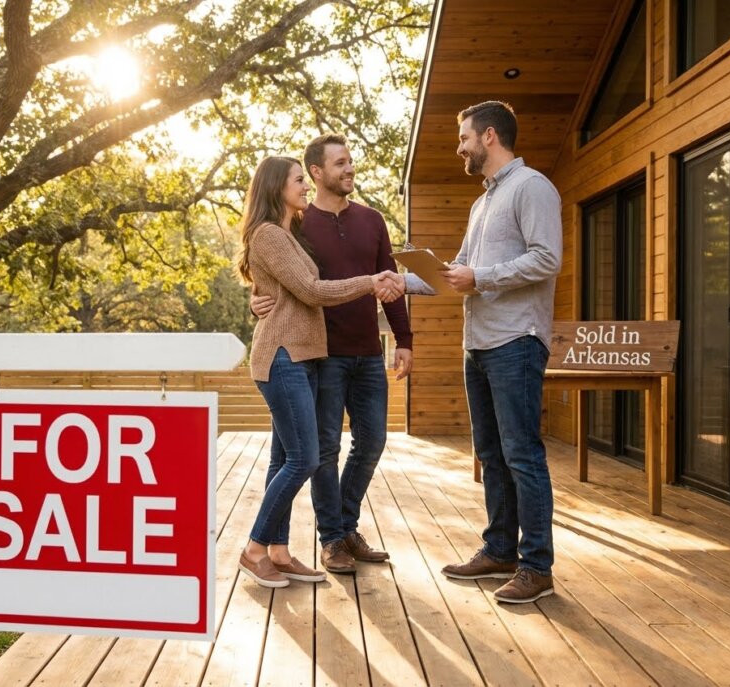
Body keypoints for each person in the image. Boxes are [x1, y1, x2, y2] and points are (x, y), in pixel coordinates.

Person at [236, 155, 404, 588]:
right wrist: (369, 282)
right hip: (283, 357)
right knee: (306, 458)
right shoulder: (270, 235)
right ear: (277, 187)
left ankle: (279, 551)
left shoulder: (288, 232)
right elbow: (310, 290)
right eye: (298, 181)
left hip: (303, 357)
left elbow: (280, 289)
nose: (304, 188)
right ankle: (255, 549)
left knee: (282, 459)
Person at [437, 101, 562, 604]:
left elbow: (547, 258)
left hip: (516, 342)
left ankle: (537, 566)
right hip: (480, 344)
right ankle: (499, 550)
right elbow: (460, 270)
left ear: (489, 136)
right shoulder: (482, 202)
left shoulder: (532, 187)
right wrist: (399, 279)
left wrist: (481, 278)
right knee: (491, 455)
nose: (460, 147)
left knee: (522, 456)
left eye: (464, 137)